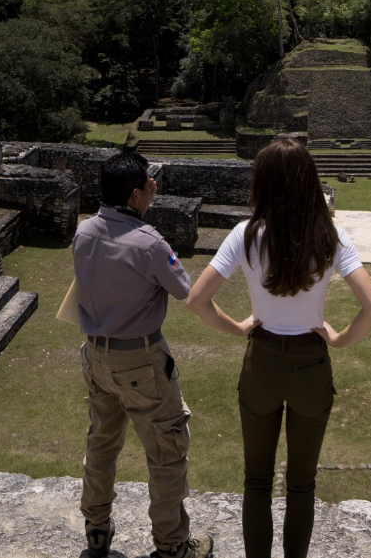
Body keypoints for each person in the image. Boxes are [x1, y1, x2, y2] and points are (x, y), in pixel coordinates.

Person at [187, 136, 371, 558]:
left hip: (262, 363)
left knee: (256, 480)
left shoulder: (245, 234)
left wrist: (239, 328)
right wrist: (339, 338)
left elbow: (197, 301)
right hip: (311, 365)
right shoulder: (330, 235)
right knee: (302, 483)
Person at [73, 152, 213, 558]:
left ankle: (96, 529)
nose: (155, 188)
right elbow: (187, 290)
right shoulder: (149, 243)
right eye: (149, 185)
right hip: (140, 361)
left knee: (101, 442)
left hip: (95, 357)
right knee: (167, 452)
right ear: (134, 195)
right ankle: (172, 545)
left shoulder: (83, 232)